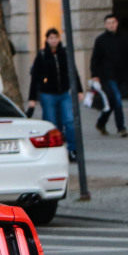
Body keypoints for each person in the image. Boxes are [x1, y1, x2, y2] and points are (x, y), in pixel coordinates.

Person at [27, 27, 83, 160]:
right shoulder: (41, 55)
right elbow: (35, 78)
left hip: (64, 93)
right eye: (51, 38)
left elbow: (73, 71)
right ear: (47, 40)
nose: (53, 40)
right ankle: (55, 151)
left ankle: (73, 149)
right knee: (52, 123)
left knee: (69, 120)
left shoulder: (65, 53)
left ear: (59, 39)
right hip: (48, 94)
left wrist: (79, 90)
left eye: (55, 37)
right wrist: (32, 98)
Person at [88, 13, 128, 137]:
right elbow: (95, 59)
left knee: (111, 103)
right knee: (117, 100)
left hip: (120, 75)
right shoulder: (101, 40)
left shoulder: (123, 38)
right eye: (108, 23)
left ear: (117, 23)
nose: (111, 25)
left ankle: (101, 123)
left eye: (113, 22)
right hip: (107, 75)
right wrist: (95, 74)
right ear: (105, 25)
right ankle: (121, 128)